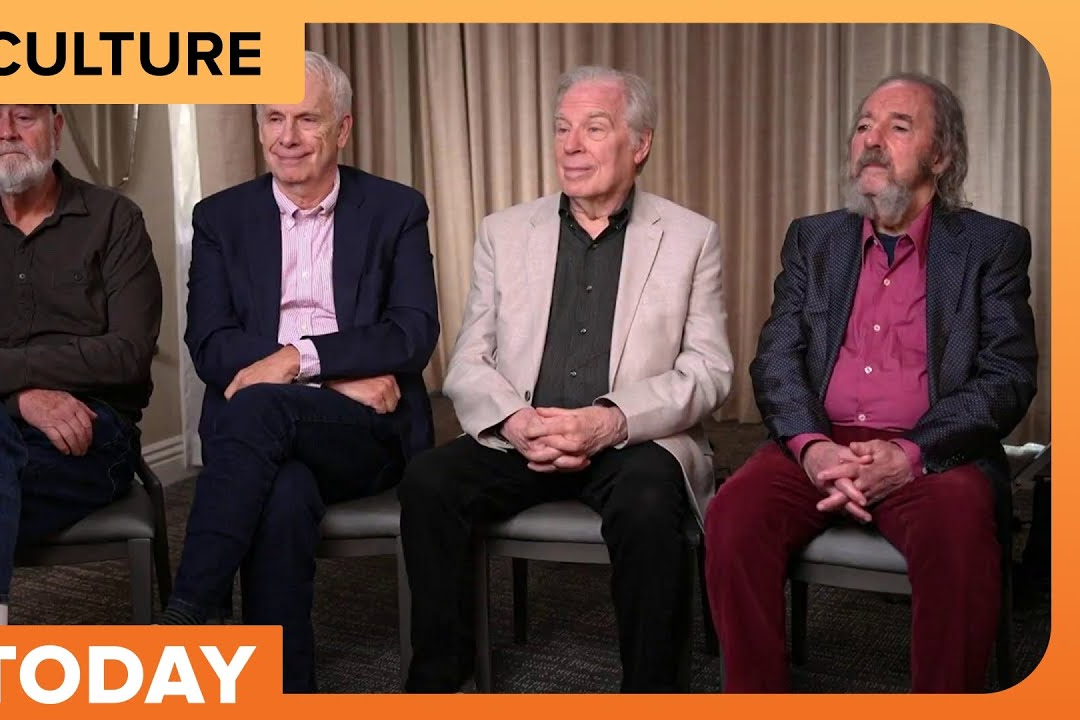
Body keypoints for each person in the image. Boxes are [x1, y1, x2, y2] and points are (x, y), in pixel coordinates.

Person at [399, 65, 733, 693]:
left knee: (648, 504)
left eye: (594, 129)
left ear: (640, 144)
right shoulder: (504, 232)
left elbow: (709, 370)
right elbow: (469, 357)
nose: (571, 146)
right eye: (561, 129)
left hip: (632, 440)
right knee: (429, 481)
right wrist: (514, 421)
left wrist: (609, 420)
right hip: (524, 433)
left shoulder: (690, 237)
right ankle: (442, 684)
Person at [705, 72, 1038, 693]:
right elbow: (777, 359)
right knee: (733, 516)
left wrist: (909, 455)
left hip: (933, 453)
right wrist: (812, 447)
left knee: (959, 535)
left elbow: (1007, 377)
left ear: (942, 156)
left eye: (898, 127)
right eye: (864, 126)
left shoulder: (991, 245)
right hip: (818, 441)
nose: (872, 140)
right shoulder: (814, 238)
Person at [161, 51, 440, 694]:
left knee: (258, 405)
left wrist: (293, 358)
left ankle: (189, 611)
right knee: (282, 494)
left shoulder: (396, 209)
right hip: (280, 431)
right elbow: (211, 345)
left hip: (363, 434)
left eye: (307, 119)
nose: (287, 136)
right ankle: (284, 689)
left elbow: (411, 333)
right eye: (273, 118)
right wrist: (323, 373)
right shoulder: (220, 218)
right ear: (259, 126)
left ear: (342, 129)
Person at [0, 103, 163, 625]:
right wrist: (19, 398)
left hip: (86, 440)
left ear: (56, 126)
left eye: (25, 116)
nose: (7, 133)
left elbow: (129, 354)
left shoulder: (114, 219)